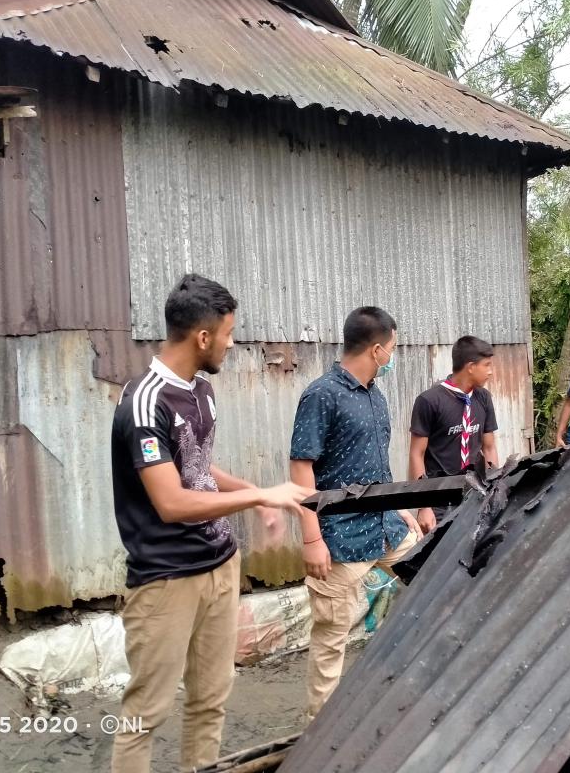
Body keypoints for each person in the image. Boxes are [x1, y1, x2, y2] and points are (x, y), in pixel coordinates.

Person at [110, 274, 312, 773]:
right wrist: (260, 496)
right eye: (229, 333)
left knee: (210, 701)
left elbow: (196, 469)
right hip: (166, 580)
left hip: (220, 567)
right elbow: (172, 502)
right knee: (145, 714)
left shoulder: (202, 390)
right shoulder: (144, 401)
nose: (231, 343)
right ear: (203, 337)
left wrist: (249, 491)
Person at [290, 306, 423, 719]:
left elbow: (376, 464)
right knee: (331, 639)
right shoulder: (321, 394)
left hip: (386, 528)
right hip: (341, 539)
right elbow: (300, 468)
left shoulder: (375, 396)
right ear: (378, 349)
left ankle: (408, 694)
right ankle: (318, 733)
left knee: (432, 573)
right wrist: (311, 538)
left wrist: (400, 510)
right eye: (394, 349)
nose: (393, 357)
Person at [409, 336, 501, 525]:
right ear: (470, 367)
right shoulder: (429, 401)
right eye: (487, 365)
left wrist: (494, 489)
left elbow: (489, 447)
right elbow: (416, 454)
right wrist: (423, 507)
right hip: (439, 498)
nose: (491, 372)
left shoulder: (483, 398)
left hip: (475, 492)